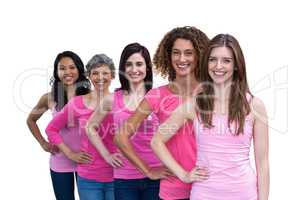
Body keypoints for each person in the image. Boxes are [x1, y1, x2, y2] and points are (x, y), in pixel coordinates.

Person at [151, 34, 270, 200]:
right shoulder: (194, 105)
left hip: (243, 193)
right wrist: (183, 175)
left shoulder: (254, 106)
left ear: (236, 65)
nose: (218, 66)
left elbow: (262, 164)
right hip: (204, 193)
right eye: (213, 59)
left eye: (226, 60)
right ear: (206, 63)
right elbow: (157, 141)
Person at [114, 27, 210, 200]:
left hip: (209, 185)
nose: (181, 59)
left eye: (188, 53)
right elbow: (121, 136)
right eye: (176, 53)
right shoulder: (157, 95)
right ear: (168, 56)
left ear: (199, 56)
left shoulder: (213, 93)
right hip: (173, 189)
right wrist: (148, 171)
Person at [87, 43, 165, 200]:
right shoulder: (112, 99)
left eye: (139, 64)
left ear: (147, 67)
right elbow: (90, 127)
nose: (134, 69)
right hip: (125, 177)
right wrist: (107, 156)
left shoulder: (159, 97)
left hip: (156, 174)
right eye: (128, 64)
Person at [45, 54, 120, 200]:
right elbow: (51, 129)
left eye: (105, 73)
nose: (100, 77)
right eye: (95, 73)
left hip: (117, 174)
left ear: (112, 75)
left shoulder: (121, 100)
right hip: (89, 177)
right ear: (89, 76)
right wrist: (70, 153)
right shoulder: (78, 103)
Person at [26, 51, 90, 200]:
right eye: (62, 68)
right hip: (60, 161)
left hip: (87, 161)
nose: (67, 72)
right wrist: (43, 142)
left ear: (79, 70)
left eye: (72, 67)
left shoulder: (91, 96)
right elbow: (31, 120)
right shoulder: (49, 98)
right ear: (56, 72)